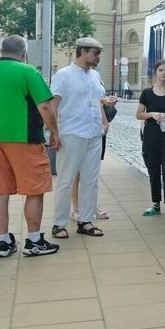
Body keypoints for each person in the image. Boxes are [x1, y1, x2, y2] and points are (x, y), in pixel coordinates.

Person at [0, 35, 60, 258]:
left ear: (1, 51)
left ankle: (3, 242)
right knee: (34, 189)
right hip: (25, 138)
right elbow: (45, 106)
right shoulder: (28, 72)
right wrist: (54, 132)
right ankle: (34, 240)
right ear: (23, 52)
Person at [50, 37, 108, 239]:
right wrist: (52, 132)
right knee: (66, 179)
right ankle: (59, 223)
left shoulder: (95, 75)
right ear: (82, 52)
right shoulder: (63, 76)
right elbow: (53, 105)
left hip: (94, 132)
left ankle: (86, 220)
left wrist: (103, 120)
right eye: (95, 53)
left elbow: (96, 100)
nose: (98, 57)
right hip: (72, 133)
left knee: (91, 179)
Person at [137, 60, 165, 218]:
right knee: (153, 170)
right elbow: (139, 114)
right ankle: (155, 203)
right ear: (156, 72)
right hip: (151, 136)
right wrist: (152, 114)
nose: (164, 73)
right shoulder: (147, 93)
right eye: (161, 70)